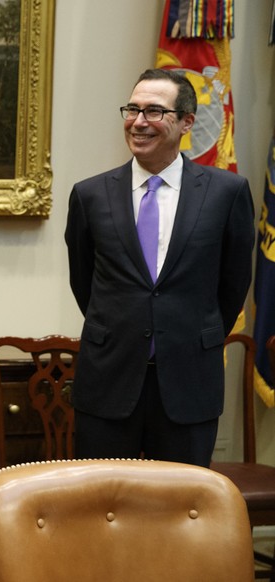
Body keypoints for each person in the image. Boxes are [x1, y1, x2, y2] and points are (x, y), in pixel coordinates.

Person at [65, 68, 255, 467]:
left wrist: (187, 330)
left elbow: (233, 284)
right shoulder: (89, 195)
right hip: (109, 381)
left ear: (186, 122)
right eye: (132, 109)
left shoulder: (227, 193)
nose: (138, 121)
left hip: (189, 382)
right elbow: (85, 283)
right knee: (101, 506)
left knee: (179, 514)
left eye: (154, 111)